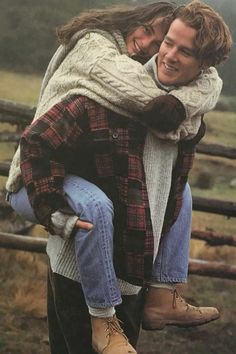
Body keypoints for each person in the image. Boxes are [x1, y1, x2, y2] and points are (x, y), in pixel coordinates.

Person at [5, 1, 232, 354]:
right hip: (77, 274)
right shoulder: (105, 93)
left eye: (183, 51)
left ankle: (164, 294)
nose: (167, 54)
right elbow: (36, 144)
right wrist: (55, 213)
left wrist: (156, 278)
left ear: (203, 66)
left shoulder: (187, 114)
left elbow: (169, 189)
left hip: (133, 280)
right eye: (168, 41)